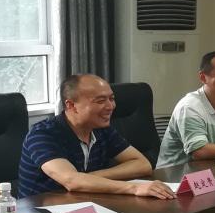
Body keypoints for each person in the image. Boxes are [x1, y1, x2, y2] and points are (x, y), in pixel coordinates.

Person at [17, 74, 175, 199]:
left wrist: (91, 177)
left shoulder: (101, 129)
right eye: (100, 101)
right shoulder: (43, 134)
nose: (110, 106)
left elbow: (143, 164)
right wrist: (134, 188)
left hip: (85, 204)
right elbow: (71, 181)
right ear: (71, 105)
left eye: (111, 99)